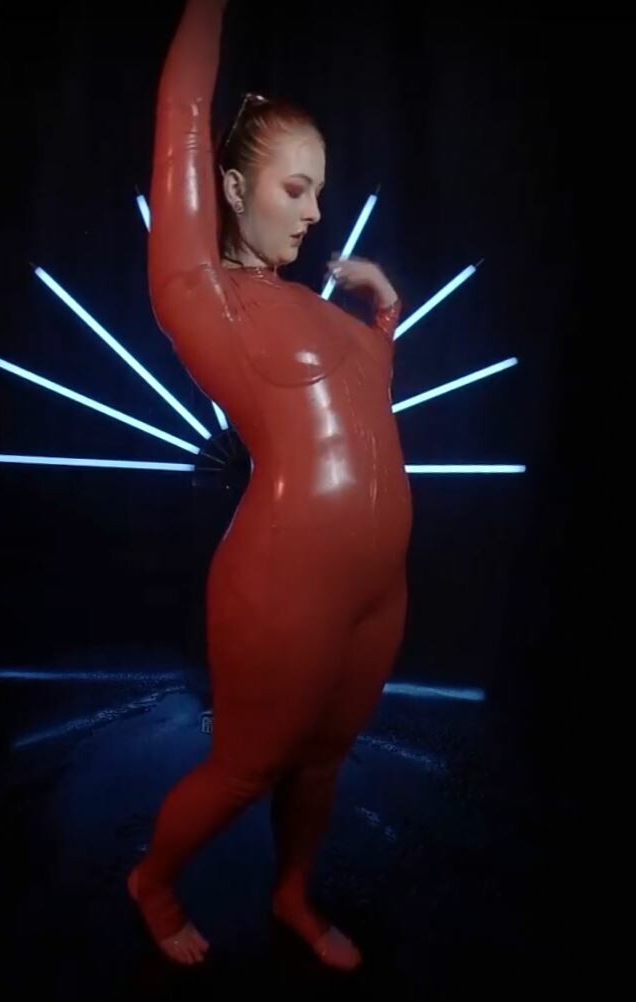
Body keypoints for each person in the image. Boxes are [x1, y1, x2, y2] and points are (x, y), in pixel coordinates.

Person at [127, 0, 410, 972]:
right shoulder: (204, 297)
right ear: (234, 186)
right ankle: (153, 882)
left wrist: (385, 310)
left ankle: (291, 896)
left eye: (320, 191)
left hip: (378, 592)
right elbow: (182, 112)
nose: (316, 211)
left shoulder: (325, 314)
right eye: (297, 187)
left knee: (324, 762)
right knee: (247, 769)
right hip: (281, 589)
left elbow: (368, 404)